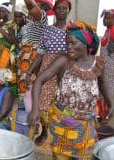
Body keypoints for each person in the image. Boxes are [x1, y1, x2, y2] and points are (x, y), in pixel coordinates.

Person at [28, 21, 113, 159]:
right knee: (61, 156)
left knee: (84, 155)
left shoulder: (98, 63)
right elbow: (39, 80)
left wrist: (110, 103)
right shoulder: (64, 61)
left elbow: (103, 85)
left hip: (86, 123)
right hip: (63, 122)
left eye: (73, 43)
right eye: (67, 43)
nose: (69, 47)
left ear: (86, 43)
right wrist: (35, 109)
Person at [26, 0, 71, 145]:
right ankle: (45, 131)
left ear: (69, 10)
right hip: (47, 68)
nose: (61, 11)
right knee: (44, 101)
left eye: (65, 8)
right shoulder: (47, 30)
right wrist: (30, 71)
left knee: (63, 101)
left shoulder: (73, 29)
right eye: (59, 8)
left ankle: (62, 133)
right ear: (54, 11)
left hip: (65, 69)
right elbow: (40, 53)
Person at [16, 0, 53, 97]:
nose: (33, 2)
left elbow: (31, 7)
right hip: (26, 55)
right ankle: (27, 110)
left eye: (36, 2)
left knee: (28, 85)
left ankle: (30, 111)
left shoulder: (41, 16)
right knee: (25, 86)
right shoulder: (32, 20)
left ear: (42, 6)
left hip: (32, 57)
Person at [0, 2, 19, 96]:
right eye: (0, 11)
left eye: (3, 11)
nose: (0, 13)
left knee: (3, 75)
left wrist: (1, 29)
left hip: (4, 52)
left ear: (8, 13)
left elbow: (12, 40)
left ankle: (3, 98)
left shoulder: (12, 24)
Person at [100, 9, 114, 112]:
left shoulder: (113, 31)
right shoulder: (107, 31)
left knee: (107, 88)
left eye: (108, 18)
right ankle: (103, 110)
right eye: (105, 18)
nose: (105, 20)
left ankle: (107, 110)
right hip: (105, 66)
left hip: (110, 67)